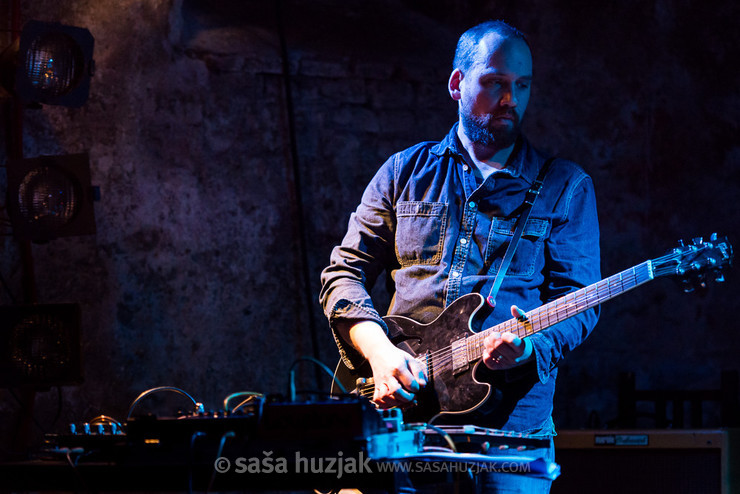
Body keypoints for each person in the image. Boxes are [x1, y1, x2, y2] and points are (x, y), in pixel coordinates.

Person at [319, 19, 600, 493]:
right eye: (495, 83)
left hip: (508, 438)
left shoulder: (566, 186)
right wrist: (382, 353)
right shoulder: (403, 173)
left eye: (522, 85)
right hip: (401, 429)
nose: (511, 99)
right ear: (457, 84)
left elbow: (581, 301)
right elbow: (343, 274)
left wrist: (531, 348)